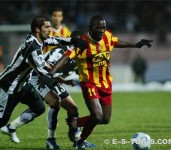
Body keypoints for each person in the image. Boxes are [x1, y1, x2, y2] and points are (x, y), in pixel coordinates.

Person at [0, 16, 87, 150]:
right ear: (38, 29)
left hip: (22, 84)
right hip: (9, 85)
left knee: (39, 108)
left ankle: (11, 128)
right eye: (47, 27)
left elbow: (56, 40)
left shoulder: (38, 38)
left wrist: (73, 40)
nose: (50, 30)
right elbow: (44, 73)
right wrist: (59, 77)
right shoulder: (33, 49)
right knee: (1, 120)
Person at [48, 15, 152, 149]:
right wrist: (51, 73)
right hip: (90, 83)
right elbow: (66, 57)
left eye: (103, 27)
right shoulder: (83, 43)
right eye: (98, 27)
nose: (101, 30)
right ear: (90, 28)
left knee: (105, 119)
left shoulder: (107, 36)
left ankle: (75, 123)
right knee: (97, 116)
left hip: (106, 83)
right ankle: (80, 142)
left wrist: (137, 45)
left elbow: (116, 42)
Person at [0, 31, 94, 150]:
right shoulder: (59, 52)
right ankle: (53, 140)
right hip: (38, 78)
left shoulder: (78, 56)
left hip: (53, 80)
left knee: (72, 108)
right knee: (51, 104)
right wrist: (63, 80)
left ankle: (77, 139)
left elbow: (80, 71)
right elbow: (46, 70)